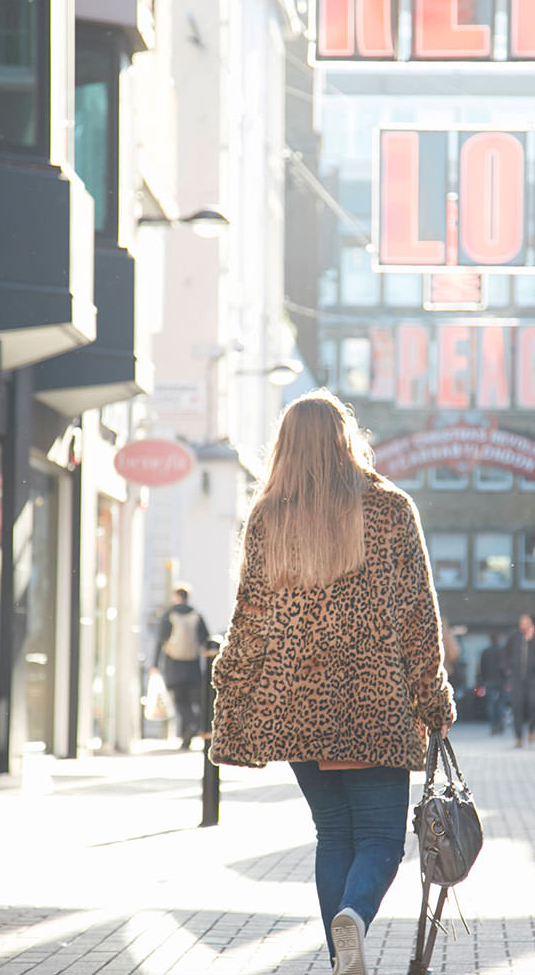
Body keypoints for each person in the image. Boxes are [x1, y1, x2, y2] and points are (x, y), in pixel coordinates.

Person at [210, 391, 454, 975]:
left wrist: (230, 687)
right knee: (381, 842)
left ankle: (343, 953)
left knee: (332, 836)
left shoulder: (269, 516)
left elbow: (249, 619)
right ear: (348, 439)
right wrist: (434, 697)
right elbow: (420, 617)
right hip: (375, 702)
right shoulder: (392, 508)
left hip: (297, 706)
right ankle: (355, 918)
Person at [156, 585, 212, 750]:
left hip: (174, 663)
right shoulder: (196, 615)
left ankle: (191, 726)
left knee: (180, 701)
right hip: (192, 664)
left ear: (176, 597)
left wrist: (155, 664)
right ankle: (191, 730)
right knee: (196, 699)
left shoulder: (170, 614)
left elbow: (161, 640)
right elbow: (205, 639)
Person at [504, 613, 535, 747]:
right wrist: (507, 668)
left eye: (525, 621)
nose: (522, 624)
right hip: (517, 677)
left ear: (531, 623)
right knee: (517, 706)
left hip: (533, 676)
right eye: (521, 621)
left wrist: (531, 640)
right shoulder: (514, 636)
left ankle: (532, 729)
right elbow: (506, 652)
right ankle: (518, 737)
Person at [478, 633, 506, 734]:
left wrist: (481, 681)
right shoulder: (503, 651)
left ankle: (493, 726)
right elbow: (506, 667)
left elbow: (482, 668)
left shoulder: (486, 652)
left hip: (489, 681)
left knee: (491, 704)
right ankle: (500, 723)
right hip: (501, 681)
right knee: (501, 704)